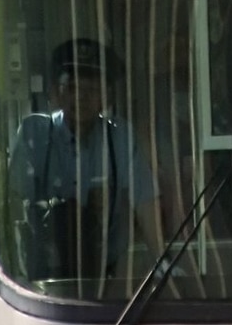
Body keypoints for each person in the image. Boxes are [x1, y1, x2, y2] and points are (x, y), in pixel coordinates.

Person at [8, 37, 158, 289]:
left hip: (108, 277)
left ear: (106, 96)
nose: (81, 98)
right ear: (55, 93)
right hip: (43, 283)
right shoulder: (35, 134)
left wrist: (164, 262)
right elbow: (12, 205)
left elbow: (147, 209)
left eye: (91, 89)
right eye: (71, 87)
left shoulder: (119, 138)